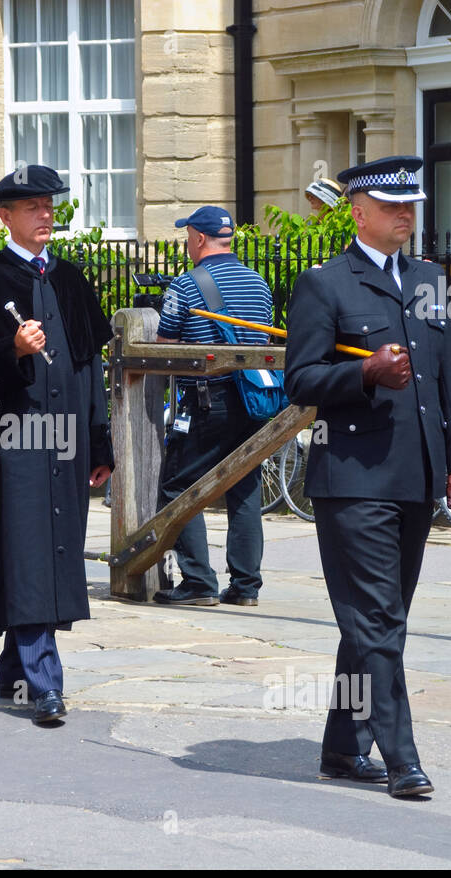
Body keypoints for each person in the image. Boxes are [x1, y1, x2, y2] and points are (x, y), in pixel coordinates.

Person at [284, 155, 451, 798]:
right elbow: (301, 381)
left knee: (371, 622)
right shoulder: (325, 284)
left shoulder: (428, 277)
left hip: (414, 476)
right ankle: (402, 758)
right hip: (353, 478)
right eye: (394, 207)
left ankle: (343, 747)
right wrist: (363, 374)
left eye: (412, 206)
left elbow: (447, 374)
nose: (407, 216)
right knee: (379, 621)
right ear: (358, 212)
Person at [0, 165, 114, 726]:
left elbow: (91, 368)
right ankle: (44, 682)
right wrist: (9, 350)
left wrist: (100, 443)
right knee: (30, 550)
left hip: (68, 447)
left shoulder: (71, 280)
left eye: (49, 206)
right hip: (14, 439)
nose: (45, 215)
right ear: (5, 217)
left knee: (52, 553)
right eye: (33, 208)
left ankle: (15, 664)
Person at [153, 205, 273, 607]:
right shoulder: (259, 283)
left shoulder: (186, 286)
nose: (187, 244)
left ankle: (199, 581)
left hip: (207, 401)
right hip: (255, 400)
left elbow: (165, 347)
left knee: (177, 484)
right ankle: (245, 587)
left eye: (187, 236)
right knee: (243, 487)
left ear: (199, 239)